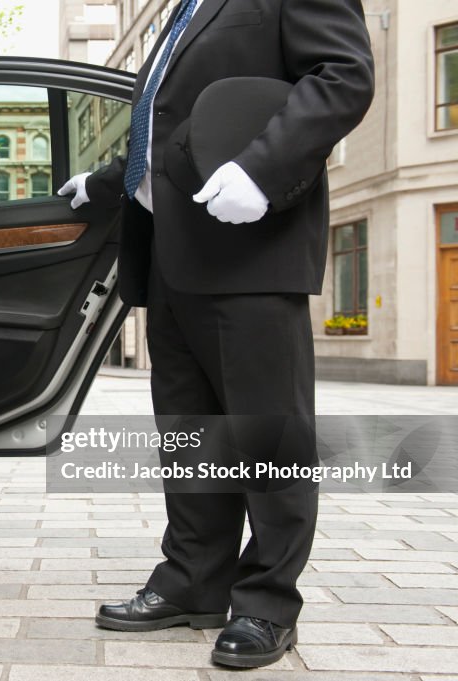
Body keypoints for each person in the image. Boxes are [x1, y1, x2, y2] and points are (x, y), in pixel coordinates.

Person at [59, 0, 374, 668]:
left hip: (249, 249)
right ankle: (195, 580)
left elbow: (343, 75)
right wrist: (106, 181)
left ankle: (265, 603)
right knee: (192, 433)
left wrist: (263, 167)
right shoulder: (182, 11)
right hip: (173, 253)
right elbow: (167, 131)